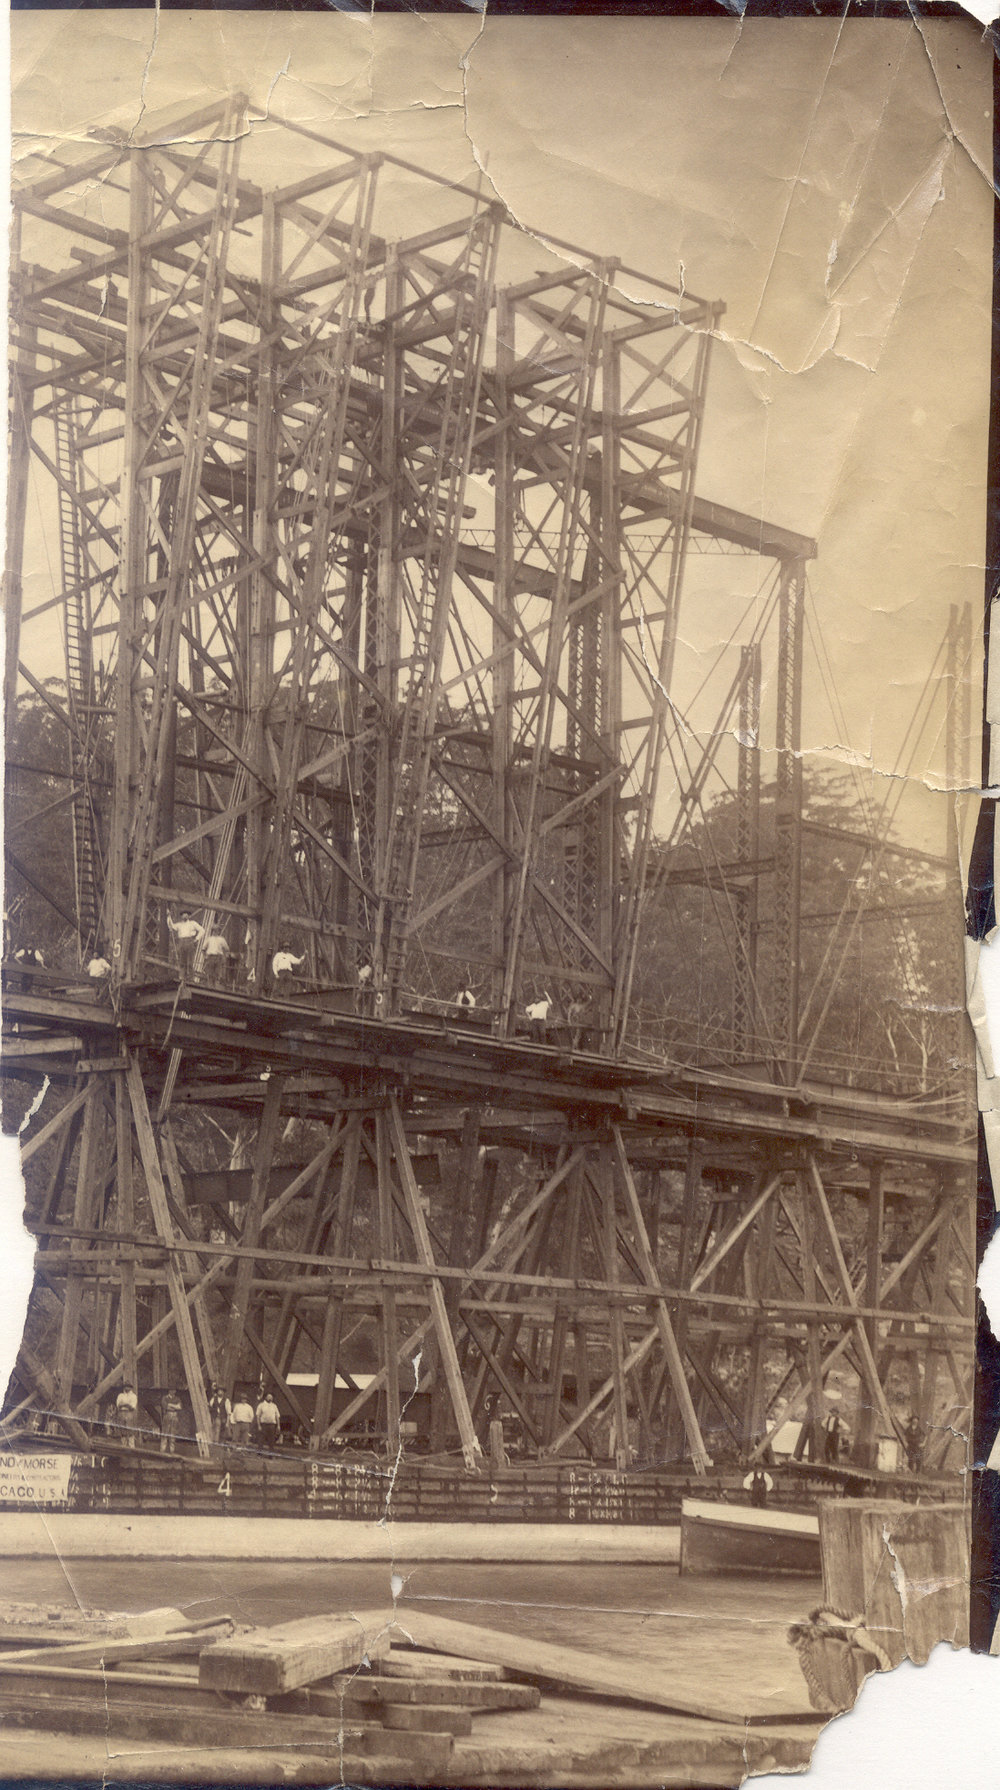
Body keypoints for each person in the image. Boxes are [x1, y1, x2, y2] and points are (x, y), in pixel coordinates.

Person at [167, 912, 202, 978]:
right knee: (182, 962)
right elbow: (171, 926)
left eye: (186, 914)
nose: (185, 915)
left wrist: (196, 939)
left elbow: (202, 930)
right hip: (181, 942)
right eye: (183, 914)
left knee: (190, 962)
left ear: (188, 916)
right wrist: (169, 916)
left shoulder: (193, 923)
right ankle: (182, 977)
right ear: (181, 916)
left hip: (190, 942)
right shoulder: (179, 925)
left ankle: (191, 978)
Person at [159, 1388, 183, 1455]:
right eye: (171, 1390)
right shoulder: (165, 1398)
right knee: (165, 1433)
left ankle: (172, 1451)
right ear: (169, 1390)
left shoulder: (177, 1398)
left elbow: (180, 1407)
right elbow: (165, 1406)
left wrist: (170, 1404)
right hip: (167, 1415)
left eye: (174, 1390)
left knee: (172, 1433)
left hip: (174, 1416)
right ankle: (162, 1451)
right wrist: (175, 1406)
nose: (173, 1391)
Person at [115, 1381, 138, 1447]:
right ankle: (123, 1447)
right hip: (121, 1413)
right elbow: (118, 1405)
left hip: (129, 1413)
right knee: (122, 1431)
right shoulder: (120, 1395)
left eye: (128, 1386)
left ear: (131, 1388)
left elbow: (132, 1407)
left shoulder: (133, 1396)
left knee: (130, 1431)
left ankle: (131, 1447)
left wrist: (124, 1404)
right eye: (125, 1386)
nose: (126, 1388)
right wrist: (127, 1404)